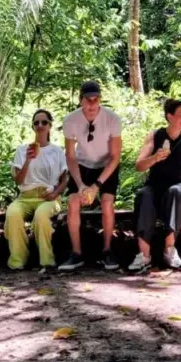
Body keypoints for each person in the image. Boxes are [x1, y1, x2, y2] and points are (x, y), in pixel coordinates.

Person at [128, 99, 181, 273]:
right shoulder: (155, 136)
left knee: (175, 192)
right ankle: (144, 255)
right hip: (155, 187)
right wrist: (154, 158)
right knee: (144, 195)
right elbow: (139, 166)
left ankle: (169, 249)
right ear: (169, 116)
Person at [58, 81, 122, 272]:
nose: (92, 104)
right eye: (88, 100)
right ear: (81, 100)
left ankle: (107, 250)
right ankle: (76, 253)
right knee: (73, 202)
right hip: (82, 164)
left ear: (100, 100)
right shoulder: (70, 120)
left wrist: (96, 186)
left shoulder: (112, 119)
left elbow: (115, 157)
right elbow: (70, 156)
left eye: (96, 99)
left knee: (107, 202)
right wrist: (80, 185)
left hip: (106, 165)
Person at [5, 109, 68, 272]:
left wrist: (55, 194)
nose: (40, 125)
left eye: (44, 122)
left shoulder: (57, 151)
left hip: (48, 196)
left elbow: (65, 179)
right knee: (12, 213)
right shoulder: (22, 150)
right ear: (32, 126)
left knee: (41, 215)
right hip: (25, 197)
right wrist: (27, 160)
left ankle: (47, 260)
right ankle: (19, 259)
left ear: (50, 126)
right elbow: (18, 180)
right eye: (36, 122)